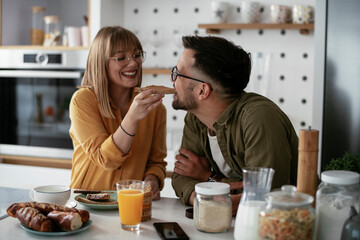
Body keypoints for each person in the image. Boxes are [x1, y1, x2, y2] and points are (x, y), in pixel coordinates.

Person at [171, 35, 298, 214]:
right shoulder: (195, 118)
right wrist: (213, 196)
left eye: (177, 74)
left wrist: (209, 179)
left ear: (202, 90)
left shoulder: (259, 118)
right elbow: (180, 177)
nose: (172, 81)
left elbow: (262, 197)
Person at [69, 26, 167, 200]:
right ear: (101, 62)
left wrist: (152, 180)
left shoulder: (155, 108)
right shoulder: (83, 100)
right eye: (121, 58)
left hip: (131, 202)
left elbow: (156, 163)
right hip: (86, 203)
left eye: (137, 55)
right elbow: (104, 159)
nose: (133, 63)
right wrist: (132, 117)